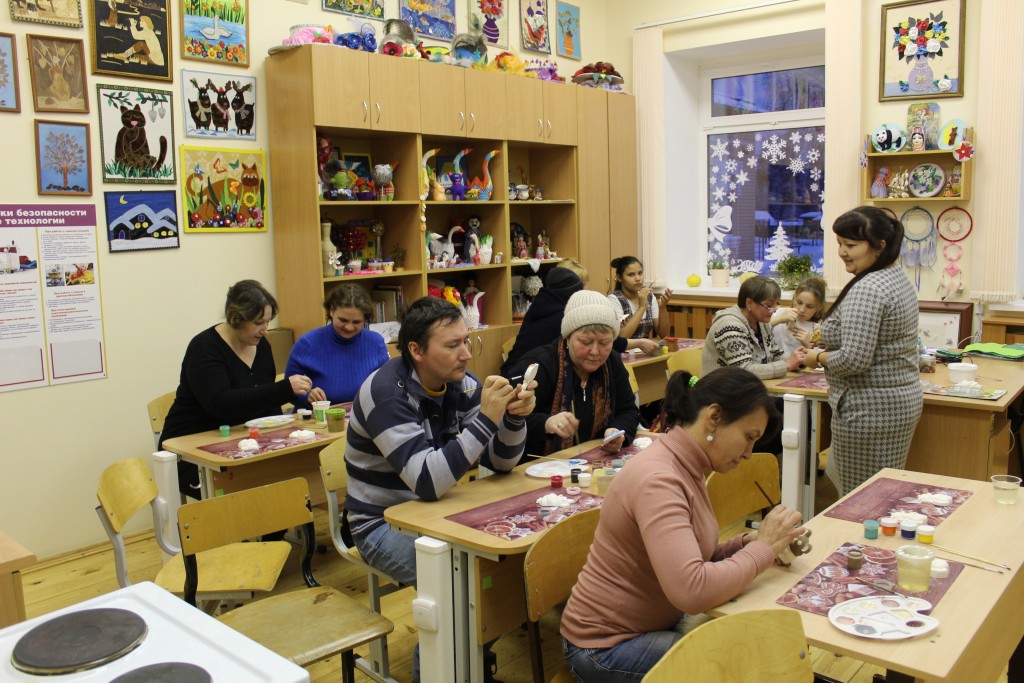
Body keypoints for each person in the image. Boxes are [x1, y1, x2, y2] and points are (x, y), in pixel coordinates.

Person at [560, 367, 806, 682]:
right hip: (604, 647)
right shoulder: (660, 480)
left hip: (647, 626)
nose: (749, 454)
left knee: (758, 646)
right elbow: (692, 589)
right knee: (739, 663)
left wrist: (747, 544)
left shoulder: (686, 463)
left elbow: (694, 558)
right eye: (748, 437)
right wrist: (763, 550)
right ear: (713, 418)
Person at [344, 296, 535, 683]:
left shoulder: (462, 383)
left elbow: (500, 462)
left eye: (466, 341)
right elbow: (427, 481)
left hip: (438, 513)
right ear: (416, 350)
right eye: (452, 345)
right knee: (455, 582)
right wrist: (487, 420)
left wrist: (512, 418)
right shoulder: (385, 393)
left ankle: (470, 668)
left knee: (497, 574)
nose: (466, 354)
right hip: (379, 523)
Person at [803, 207, 922, 495]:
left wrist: (816, 357)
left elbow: (853, 360)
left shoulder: (868, 288)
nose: (842, 252)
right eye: (839, 244)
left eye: (851, 245)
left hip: (869, 411)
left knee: (862, 498)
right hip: (896, 403)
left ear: (880, 246)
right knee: (882, 492)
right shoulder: (894, 276)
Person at [160, 280, 313, 496]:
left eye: (268, 321)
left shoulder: (261, 345)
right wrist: (283, 390)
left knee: (292, 475)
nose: (265, 330)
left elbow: (264, 403)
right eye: (259, 323)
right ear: (235, 318)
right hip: (194, 451)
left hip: (242, 443)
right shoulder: (204, 348)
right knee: (267, 491)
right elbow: (221, 404)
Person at [504, 290, 639, 457]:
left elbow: (628, 410)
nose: (595, 351)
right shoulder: (539, 366)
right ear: (568, 337)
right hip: (539, 464)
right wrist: (546, 423)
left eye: (605, 343)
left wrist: (617, 430)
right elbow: (507, 419)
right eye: (585, 342)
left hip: (592, 461)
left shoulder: (611, 362)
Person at [284, 284, 389, 409]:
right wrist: (307, 395)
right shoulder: (307, 344)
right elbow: (287, 391)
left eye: (356, 322)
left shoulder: (376, 343)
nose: (349, 327)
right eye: (343, 320)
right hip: (317, 417)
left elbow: (388, 385)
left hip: (363, 415)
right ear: (331, 311)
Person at [702, 275, 807, 378]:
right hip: (721, 388)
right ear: (749, 303)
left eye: (776, 304)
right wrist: (787, 365)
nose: (775, 309)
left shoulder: (762, 323)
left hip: (747, 386)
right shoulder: (729, 327)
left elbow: (775, 355)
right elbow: (744, 370)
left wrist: (800, 360)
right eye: (769, 305)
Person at [607, 256, 672, 341]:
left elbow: (664, 335)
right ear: (619, 278)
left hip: (645, 348)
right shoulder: (614, 299)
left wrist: (662, 308)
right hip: (626, 349)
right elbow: (621, 338)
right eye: (631, 275)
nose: (638, 279)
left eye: (640, 273)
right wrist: (642, 307)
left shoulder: (649, 296)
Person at [771, 276, 827, 356]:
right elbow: (756, 329)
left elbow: (822, 359)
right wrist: (778, 319)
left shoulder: (819, 329)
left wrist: (809, 346)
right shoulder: (779, 313)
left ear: (819, 307)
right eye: (799, 302)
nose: (802, 310)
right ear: (794, 298)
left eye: (809, 306)